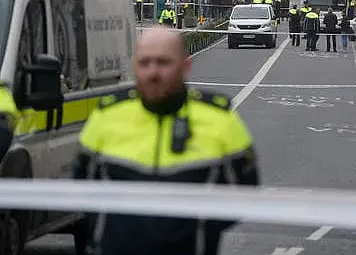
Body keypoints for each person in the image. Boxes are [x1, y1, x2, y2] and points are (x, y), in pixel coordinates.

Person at [72, 27, 260, 255]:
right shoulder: (107, 115)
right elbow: (81, 188)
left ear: (185, 66)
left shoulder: (220, 118)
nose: (153, 72)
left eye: (163, 62)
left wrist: (198, 229)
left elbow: (245, 191)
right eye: (144, 63)